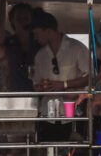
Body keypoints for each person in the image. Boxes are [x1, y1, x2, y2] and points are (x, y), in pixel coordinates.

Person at [31, 9, 89, 140]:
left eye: (37, 33)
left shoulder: (76, 48)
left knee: (72, 155)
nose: (35, 38)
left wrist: (64, 85)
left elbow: (91, 77)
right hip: (47, 114)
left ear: (49, 31)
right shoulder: (40, 55)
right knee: (49, 153)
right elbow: (36, 84)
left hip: (72, 113)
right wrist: (41, 88)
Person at [0, 2, 41, 91]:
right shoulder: (7, 42)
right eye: (19, 19)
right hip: (13, 95)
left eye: (26, 18)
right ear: (12, 20)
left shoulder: (39, 43)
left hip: (38, 94)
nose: (23, 21)